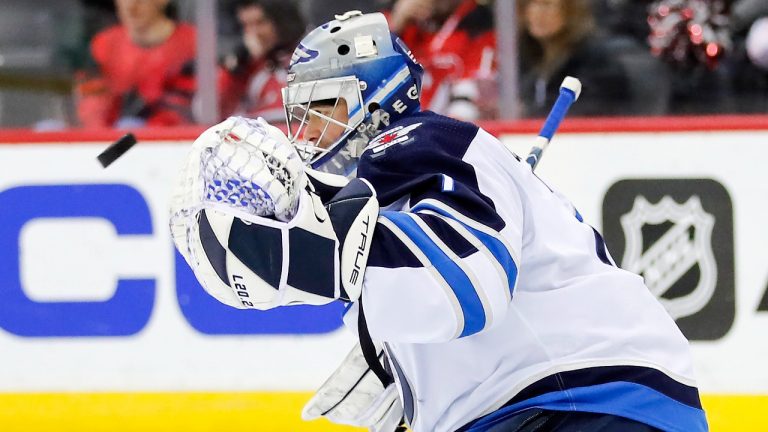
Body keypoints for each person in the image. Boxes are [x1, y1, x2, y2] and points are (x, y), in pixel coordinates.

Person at [170, 11, 708, 432]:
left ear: (375, 100)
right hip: (595, 404)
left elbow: (468, 289)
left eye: (324, 106)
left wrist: (310, 261)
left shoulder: (416, 141)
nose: (308, 131)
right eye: (301, 114)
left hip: (582, 404)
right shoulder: (403, 179)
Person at [75, 0, 196, 128]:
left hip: (170, 138)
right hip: (117, 137)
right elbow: (91, 107)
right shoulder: (103, 44)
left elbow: (196, 107)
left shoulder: (194, 42)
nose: (130, 6)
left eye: (140, 0)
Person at [385, 0, 497, 120]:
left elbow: (476, 90)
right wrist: (395, 27)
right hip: (405, 127)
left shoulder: (480, 24)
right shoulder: (402, 22)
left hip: (451, 128)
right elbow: (375, 79)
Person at [517, 0, 631, 117]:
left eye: (547, 5)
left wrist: (530, 115)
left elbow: (592, 110)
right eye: (530, 4)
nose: (536, 12)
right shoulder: (524, 56)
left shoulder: (597, 60)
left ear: (571, 11)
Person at [218, 0, 306, 122]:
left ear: (283, 21)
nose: (253, 33)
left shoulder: (309, 55)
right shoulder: (246, 66)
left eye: (260, 23)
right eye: (246, 25)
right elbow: (213, 111)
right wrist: (234, 71)